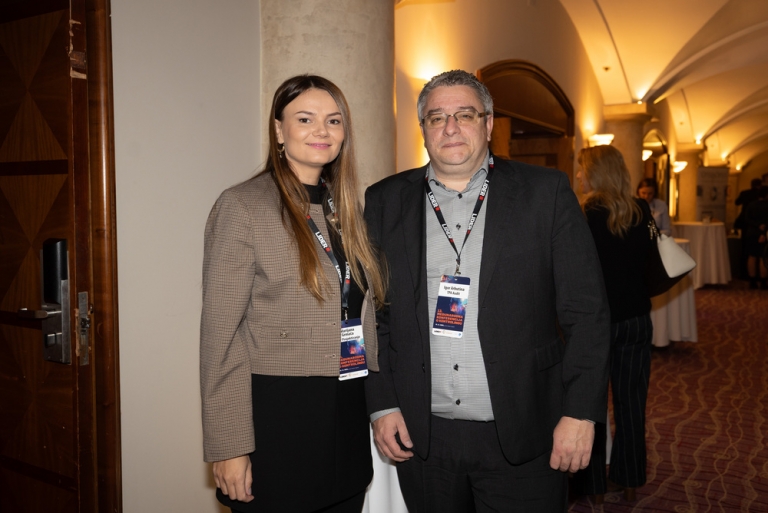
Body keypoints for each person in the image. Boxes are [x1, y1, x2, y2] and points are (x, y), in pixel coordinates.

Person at [363, 69, 610, 512]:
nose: (450, 128)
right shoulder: (385, 200)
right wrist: (382, 406)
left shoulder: (545, 193)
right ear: (423, 129)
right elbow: (370, 315)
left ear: (489, 123)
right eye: (436, 118)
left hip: (524, 431)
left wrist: (580, 412)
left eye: (465, 115)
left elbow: (587, 313)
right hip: (423, 438)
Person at [200, 75, 387, 513]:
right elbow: (221, 338)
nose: (322, 130)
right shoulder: (244, 206)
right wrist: (229, 446)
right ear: (279, 130)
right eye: (305, 119)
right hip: (278, 421)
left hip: (346, 416)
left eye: (334, 120)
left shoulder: (345, 210)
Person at [571, 145, 655, 503]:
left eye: (582, 169)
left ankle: (592, 485)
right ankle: (629, 478)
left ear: (596, 172)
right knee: (632, 404)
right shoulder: (640, 209)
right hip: (636, 320)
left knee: (590, 405)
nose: (578, 175)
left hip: (597, 324)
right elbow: (649, 266)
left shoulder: (585, 213)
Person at [743, 186, 768, 289]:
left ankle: (752, 281)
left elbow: (746, 219)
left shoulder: (751, 204)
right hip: (764, 233)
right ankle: (763, 282)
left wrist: (756, 225)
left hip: (751, 233)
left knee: (752, 256)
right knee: (763, 257)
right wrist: (763, 231)